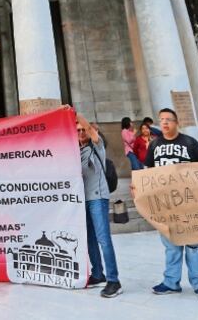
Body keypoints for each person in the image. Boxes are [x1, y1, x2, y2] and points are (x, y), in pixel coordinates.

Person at [140, 108, 198, 302]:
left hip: (189, 201)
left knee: (194, 244)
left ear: (176, 123)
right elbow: (148, 170)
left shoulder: (190, 143)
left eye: (168, 120)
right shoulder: (155, 145)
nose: (164, 123)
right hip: (165, 203)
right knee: (171, 244)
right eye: (162, 120)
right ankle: (171, 282)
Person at [78, 115, 121, 298]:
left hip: (97, 197)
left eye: (83, 130)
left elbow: (89, 130)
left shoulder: (97, 146)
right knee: (89, 238)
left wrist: (74, 114)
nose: (81, 132)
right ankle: (98, 273)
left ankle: (114, 281)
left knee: (103, 238)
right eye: (77, 130)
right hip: (82, 200)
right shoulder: (74, 151)